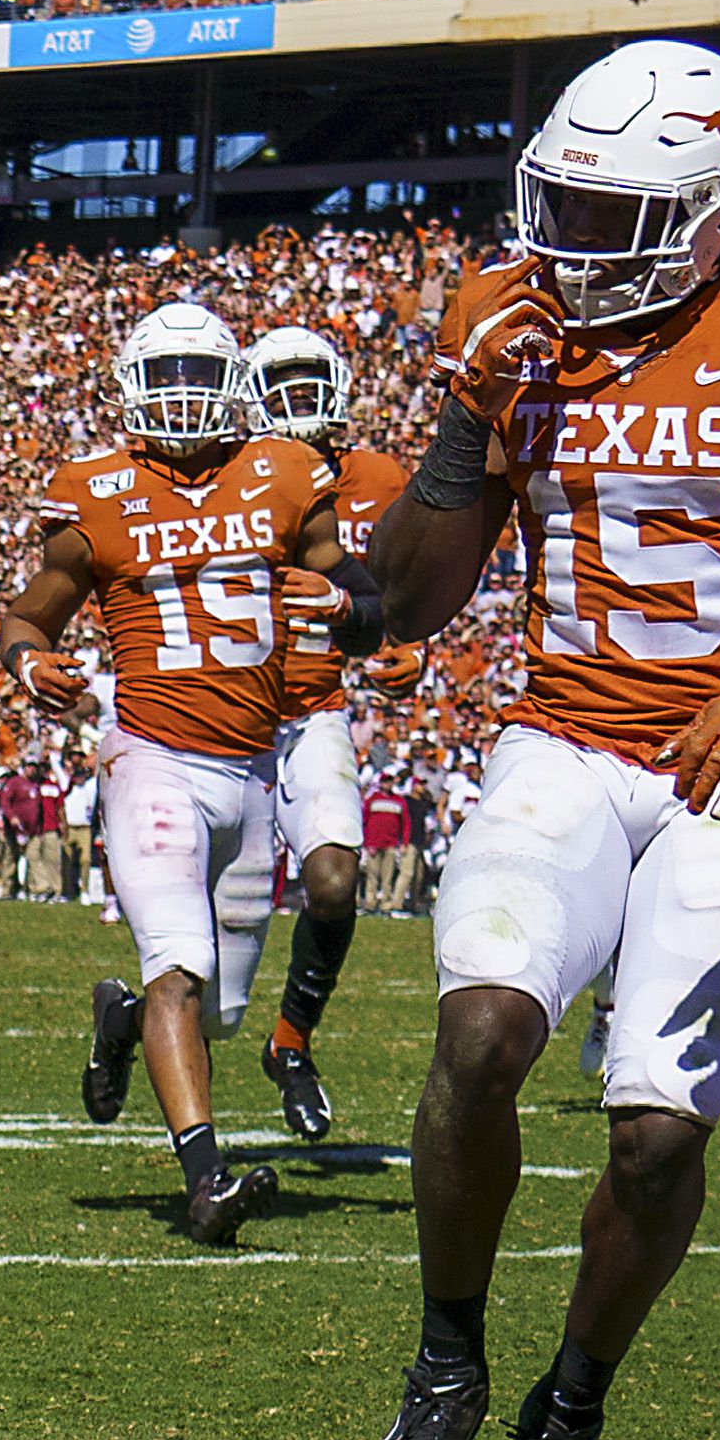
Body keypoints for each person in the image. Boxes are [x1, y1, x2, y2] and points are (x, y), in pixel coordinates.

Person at [355, 40, 720, 1440]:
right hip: (565, 739)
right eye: (565, 208)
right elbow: (407, 601)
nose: (575, 249)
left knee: (659, 1129)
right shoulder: (513, 320)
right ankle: (447, 1362)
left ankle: (572, 1406)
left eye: (623, 218)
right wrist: (470, 414)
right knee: (480, 1030)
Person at [0, 301, 380, 1241]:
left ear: (233, 385)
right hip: (152, 761)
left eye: (197, 378)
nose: (180, 398)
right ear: (131, 388)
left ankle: (121, 1023)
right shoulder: (95, 494)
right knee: (179, 963)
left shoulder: (287, 472)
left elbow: (369, 604)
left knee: (219, 1015)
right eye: (163, 378)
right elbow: (29, 615)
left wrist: (336, 599)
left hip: (254, 767)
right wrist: (28, 663)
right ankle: (205, 1179)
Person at [246, 323, 410, 1136]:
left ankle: (292, 1042)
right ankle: (131, 1023)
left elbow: (402, 587)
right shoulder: (228, 477)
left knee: (338, 879)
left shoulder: (379, 477)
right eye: (285, 382)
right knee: (208, 959)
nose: (301, 399)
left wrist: (406, 638)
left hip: (314, 709)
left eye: (314, 380)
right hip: (220, 718)